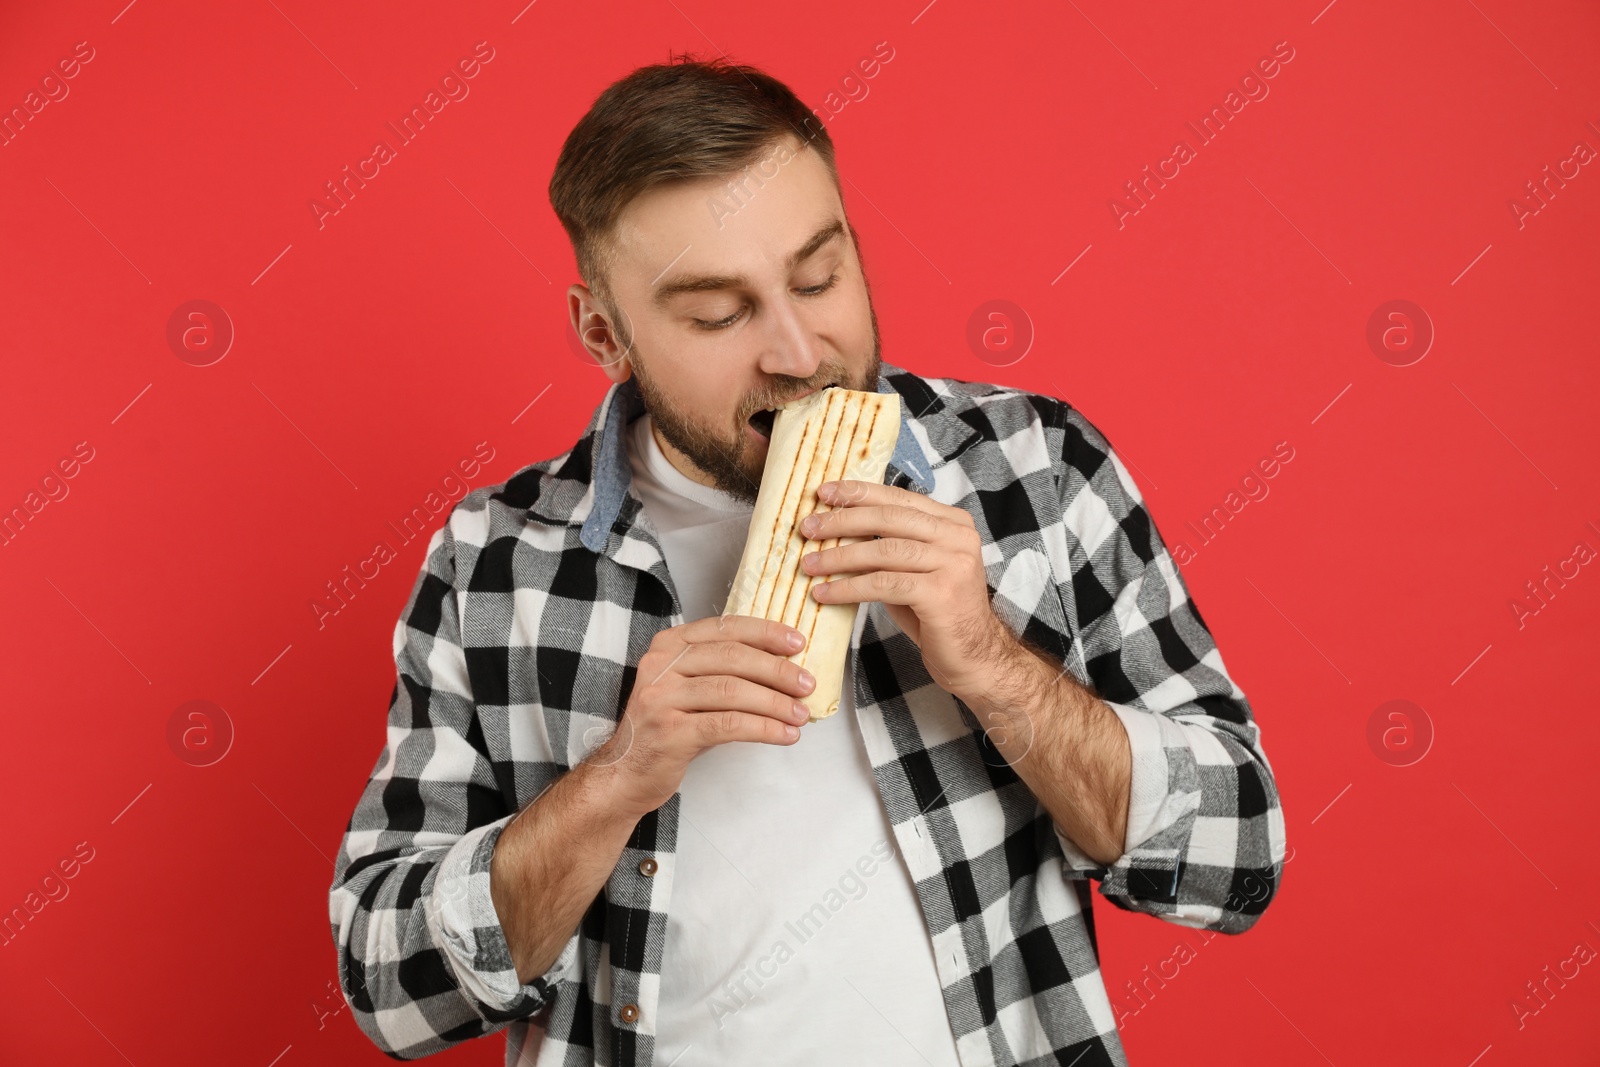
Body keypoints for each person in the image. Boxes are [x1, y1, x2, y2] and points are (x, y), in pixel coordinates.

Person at [328, 54, 1286, 1067]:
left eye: (818, 275)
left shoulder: (1036, 472)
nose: (797, 349)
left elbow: (1236, 860)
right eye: (717, 313)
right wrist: (615, 778)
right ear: (604, 334)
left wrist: (989, 664)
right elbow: (391, 992)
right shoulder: (496, 561)